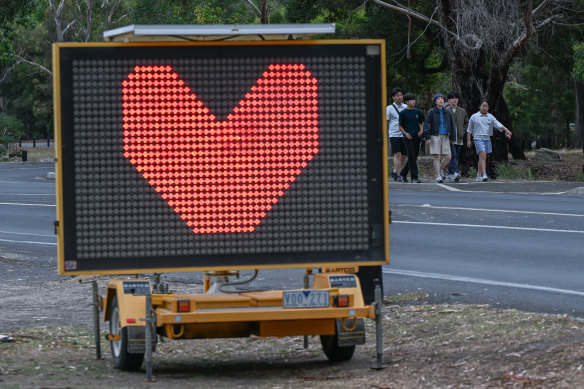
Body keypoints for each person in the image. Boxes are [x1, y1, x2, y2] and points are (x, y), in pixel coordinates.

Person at [466, 99, 512, 182]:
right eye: (483, 106)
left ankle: (478, 175)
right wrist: (468, 140)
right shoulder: (474, 116)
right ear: (480, 107)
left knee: (482, 157)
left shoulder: (490, 116)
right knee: (483, 155)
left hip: (487, 138)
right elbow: (469, 129)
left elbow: (498, 124)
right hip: (477, 138)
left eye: (486, 106)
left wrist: (506, 130)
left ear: (488, 108)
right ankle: (484, 174)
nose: (485, 108)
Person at [423, 93, 457, 183]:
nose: (441, 100)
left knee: (448, 157)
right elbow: (427, 125)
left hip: (446, 136)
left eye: (442, 99)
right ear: (435, 101)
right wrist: (427, 137)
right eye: (438, 99)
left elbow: (452, 126)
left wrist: (453, 138)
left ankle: (438, 170)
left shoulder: (447, 112)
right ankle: (438, 175)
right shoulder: (431, 112)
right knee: (437, 156)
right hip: (435, 135)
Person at [398, 93, 424, 183]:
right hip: (408, 138)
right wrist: (405, 133)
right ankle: (414, 177)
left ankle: (403, 174)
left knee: (414, 157)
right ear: (407, 102)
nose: (413, 102)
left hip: (417, 137)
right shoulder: (403, 113)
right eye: (411, 100)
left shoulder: (417, 111)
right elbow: (400, 126)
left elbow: (421, 122)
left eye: (414, 100)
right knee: (411, 156)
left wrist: (421, 130)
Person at [445, 91, 469, 182]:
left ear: (458, 99)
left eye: (456, 98)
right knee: (453, 155)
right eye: (452, 98)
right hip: (449, 138)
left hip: (459, 138)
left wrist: (463, 131)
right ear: (449, 100)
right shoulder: (446, 111)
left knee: (456, 156)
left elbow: (467, 122)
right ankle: (455, 172)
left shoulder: (462, 111)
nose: (454, 99)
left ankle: (450, 174)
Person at [386, 87, 408, 182]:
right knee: (397, 154)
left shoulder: (406, 107)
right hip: (394, 134)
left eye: (401, 95)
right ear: (393, 97)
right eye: (397, 95)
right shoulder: (389, 108)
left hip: (404, 134)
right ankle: (398, 174)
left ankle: (395, 171)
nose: (399, 97)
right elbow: (387, 122)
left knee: (404, 155)